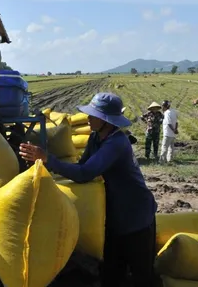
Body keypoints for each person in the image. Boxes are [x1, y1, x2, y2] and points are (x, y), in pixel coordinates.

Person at [19, 93, 159, 287]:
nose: (88, 118)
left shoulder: (116, 143)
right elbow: (82, 165)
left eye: (93, 115)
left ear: (106, 120)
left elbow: (85, 173)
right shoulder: (95, 138)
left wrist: (49, 159)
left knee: (142, 275)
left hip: (136, 216)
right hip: (115, 215)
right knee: (111, 273)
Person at [159, 100, 178, 164]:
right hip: (172, 134)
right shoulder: (174, 111)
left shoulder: (167, 113)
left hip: (167, 133)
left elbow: (169, 123)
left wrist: (173, 130)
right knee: (171, 148)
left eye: (162, 106)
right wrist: (175, 130)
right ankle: (170, 160)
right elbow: (176, 122)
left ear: (165, 106)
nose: (162, 107)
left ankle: (162, 161)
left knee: (164, 147)